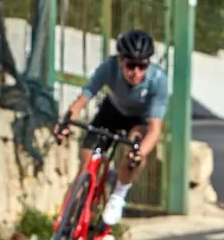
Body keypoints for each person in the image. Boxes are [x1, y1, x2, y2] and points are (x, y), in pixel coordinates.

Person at [53, 29, 171, 227]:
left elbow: (154, 130)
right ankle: (61, 229)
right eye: (131, 65)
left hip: (138, 120)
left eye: (142, 66)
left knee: (134, 150)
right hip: (111, 112)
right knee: (86, 167)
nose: (136, 72)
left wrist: (139, 153)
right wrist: (65, 122)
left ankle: (118, 195)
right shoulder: (108, 67)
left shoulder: (158, 80)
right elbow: (84, 97)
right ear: (120, 60)